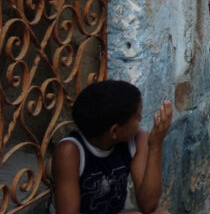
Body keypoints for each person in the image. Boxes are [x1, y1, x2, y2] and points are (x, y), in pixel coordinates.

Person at [52, 80, 173, 214]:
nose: (141, 118)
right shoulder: (70, 151)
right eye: (137, 118)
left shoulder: (136, 138)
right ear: (114, 131)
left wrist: (156, 145)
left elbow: (148, 205)